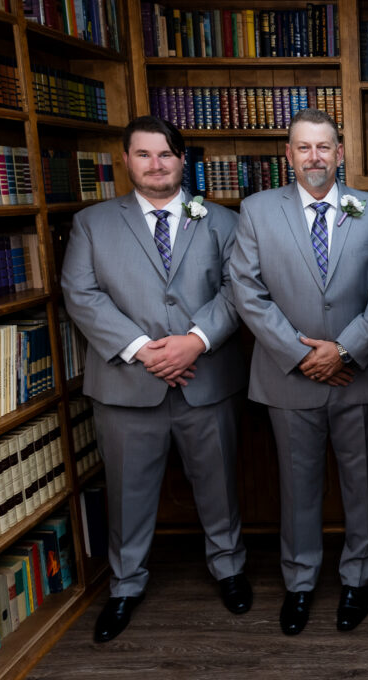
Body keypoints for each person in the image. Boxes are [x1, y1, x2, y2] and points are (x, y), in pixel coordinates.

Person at [61, 116, 249, 643]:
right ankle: (125, 586)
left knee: (219, 485)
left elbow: (239, 291)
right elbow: (81, 294)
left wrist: (195, 341)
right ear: (127, 160)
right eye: (144, 155)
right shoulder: (92, 223)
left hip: (207, 378)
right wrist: (144, 350)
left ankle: (229, 569)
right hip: (125, 385)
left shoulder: (222, 221)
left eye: (166, 154)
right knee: (127, 492)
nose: (156, 164)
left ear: (182, 159)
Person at [230, 109, 368, 636]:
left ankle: (357, 580)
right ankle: (299, 583)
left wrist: (344, 351)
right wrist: (303, 357)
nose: (315, 158)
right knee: (296, 486)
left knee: (362, 483)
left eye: (324, 147)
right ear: (289, 156)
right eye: (304, 148)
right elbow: (246, 292)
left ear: (340, 153)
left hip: (359, 374)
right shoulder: (255, 211)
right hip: (287, 376)